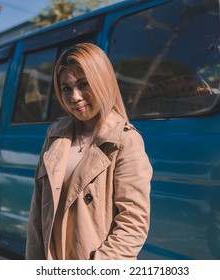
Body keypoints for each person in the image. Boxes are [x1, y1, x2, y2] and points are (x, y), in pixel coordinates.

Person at [25, 43, 152, 260]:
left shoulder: (125, 141)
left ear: (102, 81)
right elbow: (37, 216)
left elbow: (133, 224)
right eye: (66, 88)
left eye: (83, 85)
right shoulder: (55, 138)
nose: (75, 96)